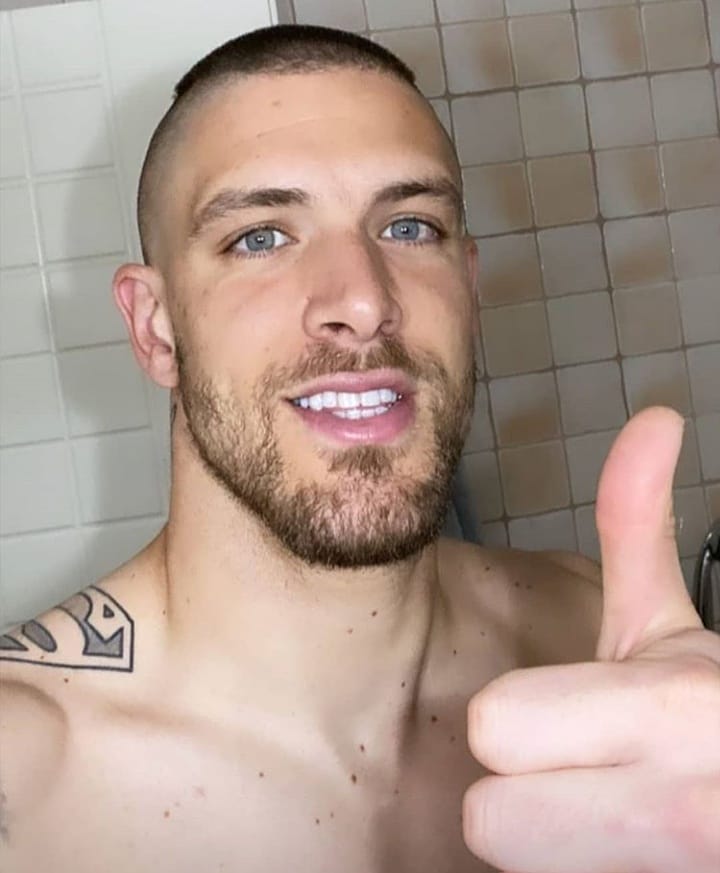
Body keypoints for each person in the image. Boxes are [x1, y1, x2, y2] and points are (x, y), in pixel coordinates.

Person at [0, 24, 717, 873]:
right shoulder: (25, 779)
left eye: (409, 227)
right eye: (261, 236)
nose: (365, 302)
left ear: (469, 288)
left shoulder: (602, 641)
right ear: (155, 329)